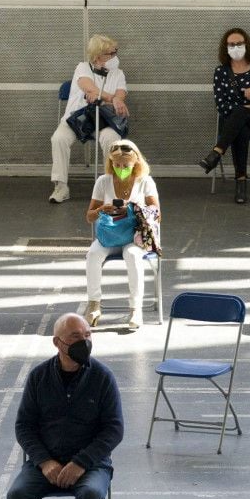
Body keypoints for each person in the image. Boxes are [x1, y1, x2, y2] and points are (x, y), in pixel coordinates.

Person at [5, 313, 123, 499]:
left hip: (91, 464)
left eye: (88, 335)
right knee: (17, 497)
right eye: (76, 336)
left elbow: (114, 429)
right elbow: (24, 426)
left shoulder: (103, 377)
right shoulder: (39, 377)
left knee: (91, 497)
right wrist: (45, 461)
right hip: (47, 463)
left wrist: (81, 463)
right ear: (58, 343)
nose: (85, 341)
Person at [197, 28, 250, 205]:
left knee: (239, 118)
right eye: (231, 44)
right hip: (234, 123)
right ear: (225, 48)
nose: (235, 47)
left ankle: (217, 152)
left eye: (239, 44)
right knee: (240, 128)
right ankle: (240, 182)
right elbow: (221, 105)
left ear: (246, 45)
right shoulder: (221, 72)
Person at [84, 139, 160, 331]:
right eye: (116, 165)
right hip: (109, 235)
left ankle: (136, 308)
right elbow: (89, 216)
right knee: (93, 254)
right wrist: (103, 209)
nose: (120, 168)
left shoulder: (145, 182)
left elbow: (157, 214)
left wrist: (133, 209)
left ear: (135, 162)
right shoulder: (103, 181)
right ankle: (94, 303)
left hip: (134, 237)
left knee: (133, 255)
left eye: (125, 165)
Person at [49, 34, 129, 204]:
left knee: (112, 139)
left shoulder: (118, 74)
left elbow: (120, 95)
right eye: (111, 53)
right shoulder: (82, 68)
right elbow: (88, 87)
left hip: (104, 120)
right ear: (98, 56)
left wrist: (112, 98)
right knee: (58, 138)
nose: (115, 55)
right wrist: (110, 97)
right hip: (76, 118)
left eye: (116, 51)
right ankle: (61, 187)